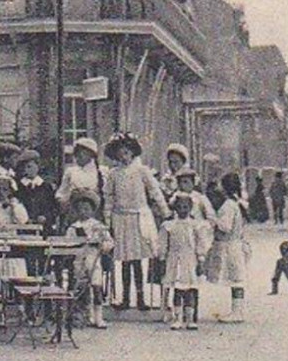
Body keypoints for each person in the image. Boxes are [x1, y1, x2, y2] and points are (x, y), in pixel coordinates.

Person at [102, 132, 170, 311]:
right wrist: (108, 220)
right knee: (124, 260)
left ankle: (141, 298)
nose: (123, 156)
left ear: (132, 153)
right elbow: (108, 197)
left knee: (137, 260)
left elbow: (155, 191)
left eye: (126, 152)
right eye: (119, 153)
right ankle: (125, 298)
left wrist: (165, 211)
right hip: (121, 218)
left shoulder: (142, 171)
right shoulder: (113, 174)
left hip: (138, 217)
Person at [160, 192, 210, 331]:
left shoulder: (195, 226)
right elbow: (163, 245)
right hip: (174, 260)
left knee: (190, 290)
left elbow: (201, 244)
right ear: (175, 208)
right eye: (180, 207)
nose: (182, 210)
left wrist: (201, 260)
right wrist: (163, 259)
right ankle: (177, 318)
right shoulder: (169, 226)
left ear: (190, 208)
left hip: (190, 260)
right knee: (177, 290)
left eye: (185, 207)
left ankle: (190, 319)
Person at [206, 171, 251, 323]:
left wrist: (212, 221)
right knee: (236, 279)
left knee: (236, 280)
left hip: (230, 247)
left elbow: (225, 227)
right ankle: (237, 310)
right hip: (236, 244)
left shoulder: (228, 206)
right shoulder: (237, 203)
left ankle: (237, 312)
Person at [67, 188, 114, 330]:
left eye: (86, 209)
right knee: (82, 289)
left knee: (97, 287)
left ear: (92, 210)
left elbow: (109, 242)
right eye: (80, 209)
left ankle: (99, 317)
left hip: (94, 260)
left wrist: (103, 245)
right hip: (79, 260)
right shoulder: (73, 227)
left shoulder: (98, 226)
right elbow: (68, 243)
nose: (83, 212)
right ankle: (87, 316)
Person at [55, 136, 104, 218]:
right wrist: (62, 201)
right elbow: (61, 192)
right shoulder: (71, 171)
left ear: (91, 154)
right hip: (75, 211)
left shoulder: (101, 171)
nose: (79, 156)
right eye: (77, 153)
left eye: (83, 153)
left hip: (93, 211)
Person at [13, 149, 59, 232]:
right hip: (22, 228)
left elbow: (53, 208)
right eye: (25, 167)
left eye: (30, 166)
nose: (27, 170)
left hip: (42, 229)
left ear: (38, 166)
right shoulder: (18, 187)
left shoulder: (46, 187)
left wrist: (45, 217)